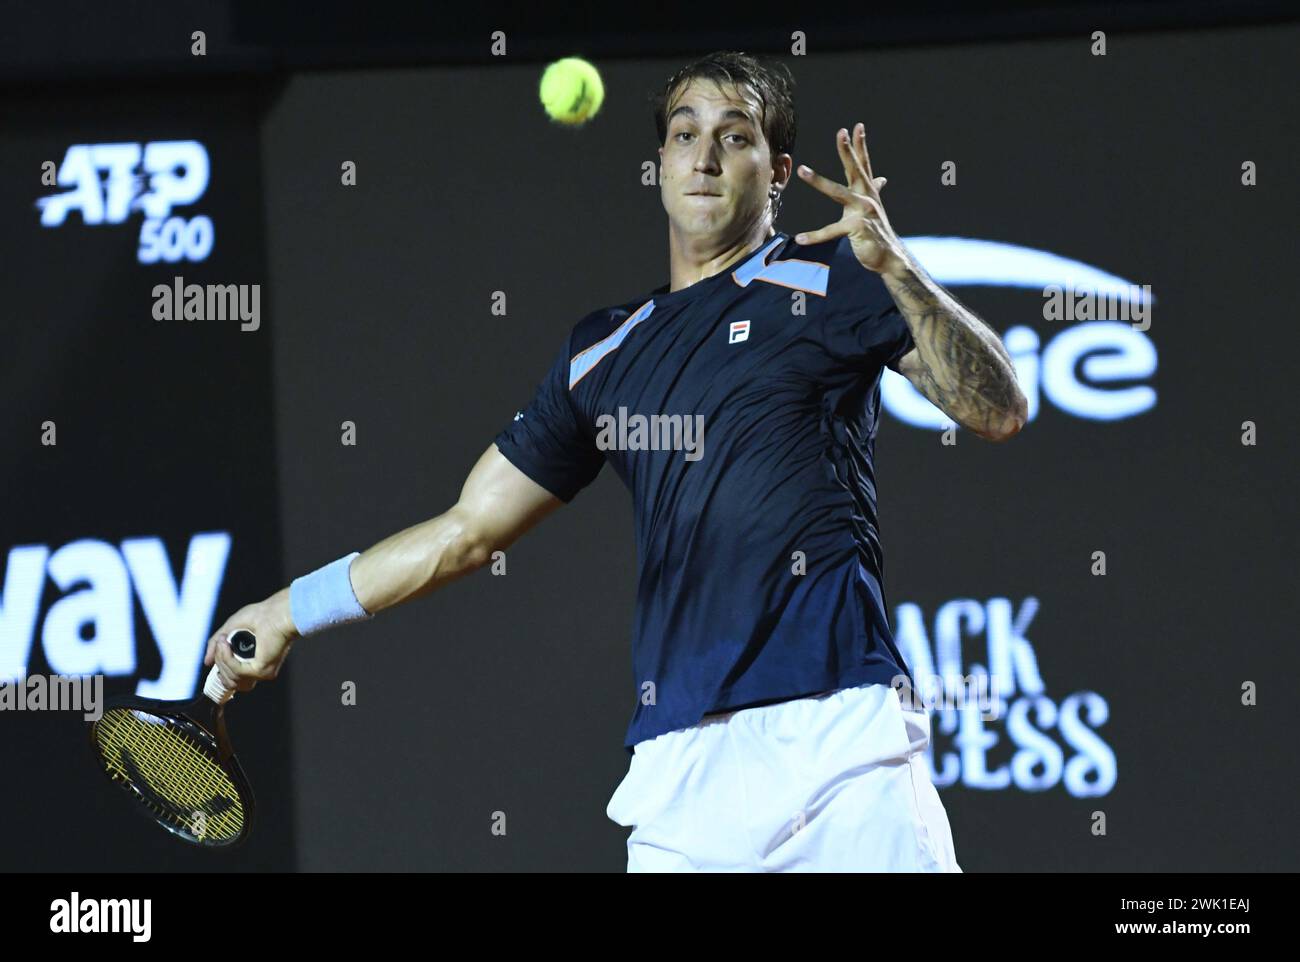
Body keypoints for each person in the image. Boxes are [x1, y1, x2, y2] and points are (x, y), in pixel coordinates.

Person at [206, 50, 1027, 872]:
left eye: (732, 136)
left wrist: (902, 271)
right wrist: (287, 609)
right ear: (660, 164)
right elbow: (467, 531)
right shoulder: (602, 353)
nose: (703, 156)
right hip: (679, 778)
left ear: (777, 171)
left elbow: (998, 411)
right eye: (683, 134)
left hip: (841, 745)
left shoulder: (834, 281)